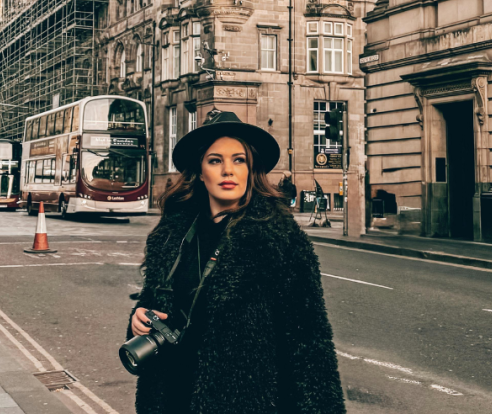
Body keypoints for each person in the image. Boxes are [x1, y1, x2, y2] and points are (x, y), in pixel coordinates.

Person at [126, 110, 345, 414]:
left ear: (250, 169)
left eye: (238, 160)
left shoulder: (280, 238)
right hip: (171, 396)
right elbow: (153, 302)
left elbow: (309, 341)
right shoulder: (171, 234)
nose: (228, 170)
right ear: (201, 172)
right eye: (215, 160)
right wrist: (138, 319)